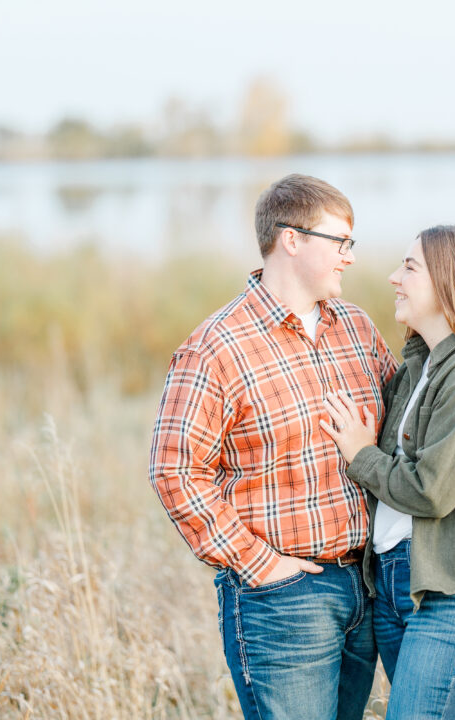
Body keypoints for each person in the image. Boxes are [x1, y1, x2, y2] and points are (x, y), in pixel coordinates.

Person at [149, 174, 397, 720]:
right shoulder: (217, 346)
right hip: (283, 603)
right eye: (340, 242)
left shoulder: (357, 328)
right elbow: (174, 472)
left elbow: (402, 433)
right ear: (292, 238)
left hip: (368, 587)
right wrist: (258, 562)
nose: (350, 258)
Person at [322, 225, 455, 719]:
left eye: (409, 267)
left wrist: (361, 454)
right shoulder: (418, 367)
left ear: (449, 282)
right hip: (402, 585)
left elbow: (432, 490)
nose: (392, 277)